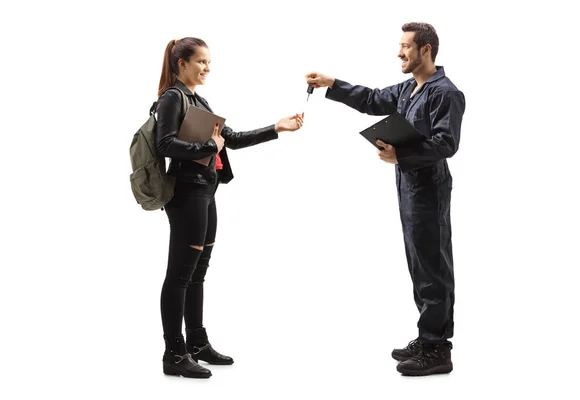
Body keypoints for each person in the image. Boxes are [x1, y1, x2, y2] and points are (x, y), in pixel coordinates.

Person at [305, 22, 465, 376]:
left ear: (426, 50)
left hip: (429, 190)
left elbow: (446, 144)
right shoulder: (410, 88)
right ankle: (427, 338)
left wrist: (402, 156)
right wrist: (333, 84)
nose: (399, 52)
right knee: (419, 265)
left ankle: (438, 348)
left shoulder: (445, 92)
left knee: (433, 267)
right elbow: (374, 99)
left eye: (406, 46)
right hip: (409, 188)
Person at [155, 37, 304, 378]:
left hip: (207, 192)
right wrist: (209, 144)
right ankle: (173, 353)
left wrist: (277, 128)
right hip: (187, 195)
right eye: (201, 62)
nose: (207, 68)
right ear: (182, 64)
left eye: (209, 63)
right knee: (179, 275)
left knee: (197, 272)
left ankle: (196, 343)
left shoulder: (199, 100)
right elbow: (166, 144)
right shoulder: (171, 99)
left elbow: (230, 139)